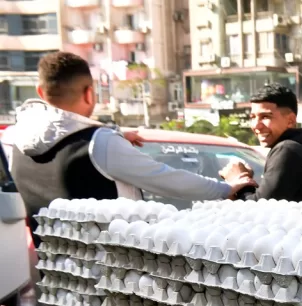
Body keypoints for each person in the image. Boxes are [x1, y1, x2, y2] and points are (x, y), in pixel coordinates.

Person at [5, 52, 253, 240]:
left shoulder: (15, 138)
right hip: (104, 274)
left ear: (40, 91)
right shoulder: (99, 143)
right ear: (90, 93)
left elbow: (61, 130)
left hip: (51, 269)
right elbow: (165, 178)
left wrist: (115, 133)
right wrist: (225, 189)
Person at [221, 84, 302, 203]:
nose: (256, 126)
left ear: (290, 120)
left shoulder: (287, 150)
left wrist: (239, 180)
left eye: (265, 117)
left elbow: (262, 208)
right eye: (253, 117)